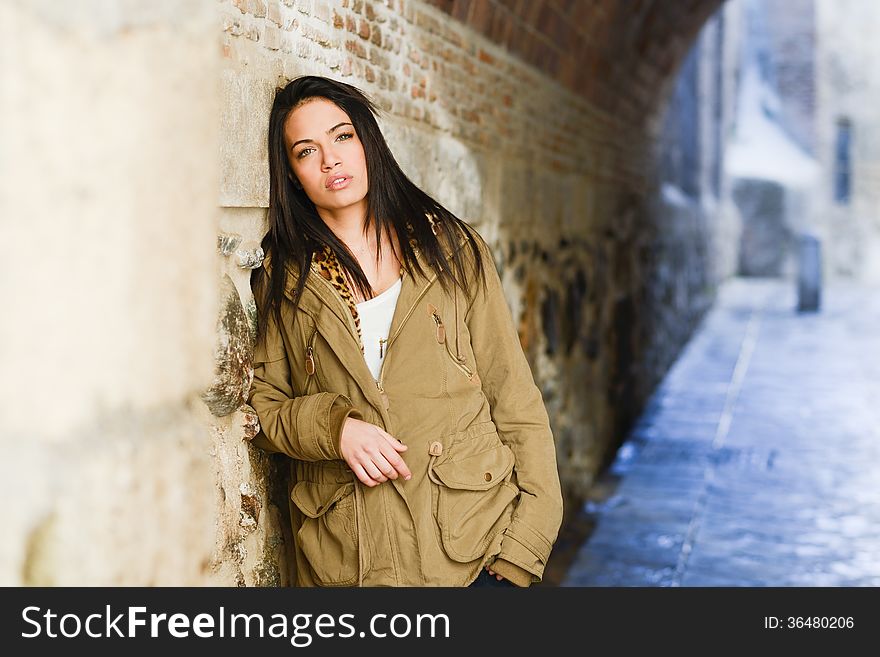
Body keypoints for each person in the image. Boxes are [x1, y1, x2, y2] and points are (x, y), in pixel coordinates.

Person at [248, 75, 563, 587]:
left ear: (368, 141)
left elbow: (515, 399)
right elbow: (263, 404)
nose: (330, 161)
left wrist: (522, 554)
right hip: (348, 564)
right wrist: (335, 429)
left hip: (473, 555)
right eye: (307, 151)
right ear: (292, 174)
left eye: (342, 136)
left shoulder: (452, 250)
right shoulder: (284, 280)